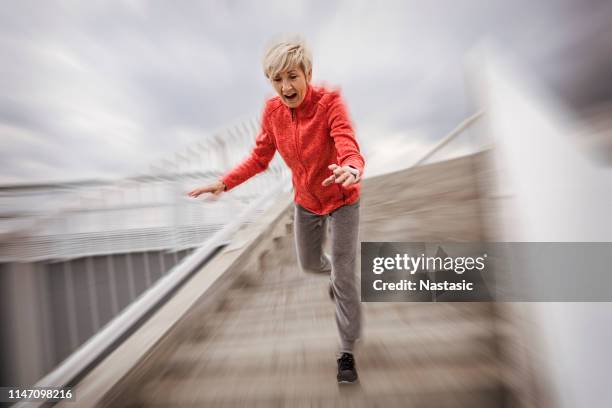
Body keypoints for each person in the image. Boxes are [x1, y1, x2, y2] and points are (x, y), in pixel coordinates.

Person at [187, 37, 364, 384]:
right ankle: (335, 278)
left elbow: (347, 142)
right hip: (307, 201)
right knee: (310, 263)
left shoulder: (330, 103)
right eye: (277, 80)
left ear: (307, 74)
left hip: (343, 197)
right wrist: (224, 183)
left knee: (345, 276)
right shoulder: (272, 113)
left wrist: (353, 168)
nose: (285, 86)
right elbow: (259, 158)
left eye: (292, 77)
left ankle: (346, 352)